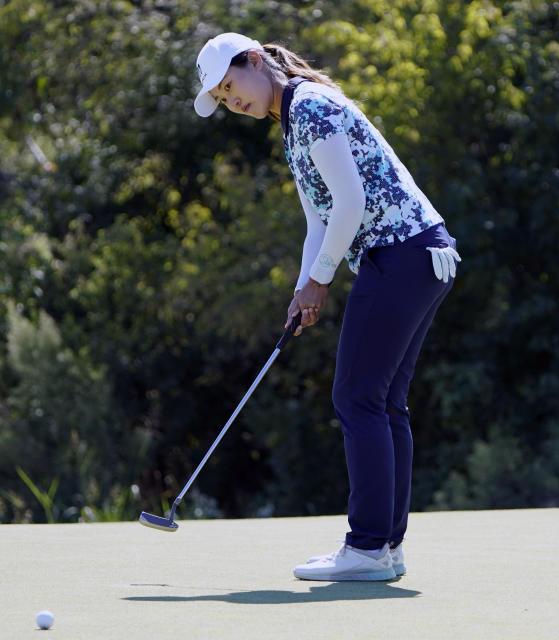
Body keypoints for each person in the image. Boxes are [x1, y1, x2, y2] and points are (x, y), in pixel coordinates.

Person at [193, 32, 460, 581]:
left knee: (357, 397)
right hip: (421, 254)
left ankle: (365, 548)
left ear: (256, 61)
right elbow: (320, 217)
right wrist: (302, 288)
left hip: (402, 255)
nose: (232, 100)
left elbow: (352, 202)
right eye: (221, 98)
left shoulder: (310, 106)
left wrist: (320, 282)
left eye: (230, 85)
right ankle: (384, 548)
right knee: (383, 403)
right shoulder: (296, 120)